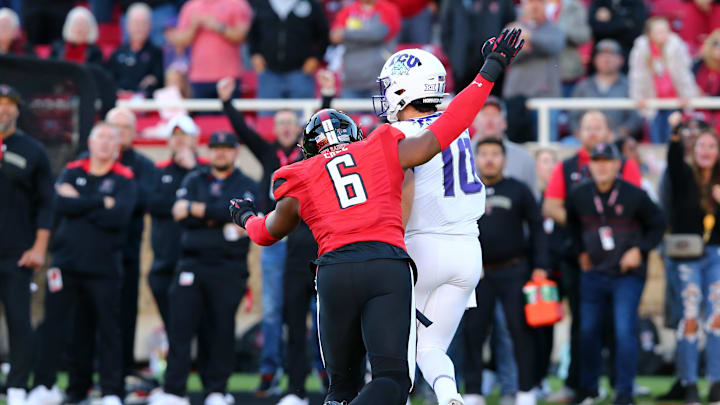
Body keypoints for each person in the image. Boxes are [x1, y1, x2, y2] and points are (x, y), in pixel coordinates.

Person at [229, 28, 524, 405]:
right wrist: (490, 70)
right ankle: (451, 394)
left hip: (354, 264)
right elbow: (448, 126)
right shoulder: (383, 145)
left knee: (346, 385)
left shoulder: (305, 171)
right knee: (399, 371)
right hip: (427, 256)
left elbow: (267, 232)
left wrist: (245, 216)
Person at [377, 48, 485, 405]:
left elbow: (406, 185)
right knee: (433, 347)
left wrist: (390, 242)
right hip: (469, 250)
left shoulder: (398, 131)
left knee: (396, 351)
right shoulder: (459, 129)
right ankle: (450, 395)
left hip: (422, 246)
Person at [217, 74, 335, 398]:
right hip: (274, 240)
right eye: (280, 122)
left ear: (298, 128)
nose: (285, 128)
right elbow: (242, 132)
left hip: (306, 241)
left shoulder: (306, 155)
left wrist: (326, 96)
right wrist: (226, 102)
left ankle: (323, 369)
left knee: (317, 311)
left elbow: (319, 121)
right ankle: (271, 370)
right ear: (275, 127)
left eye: (290, 123)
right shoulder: (269, 154)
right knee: (275, 311)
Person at [541, 110, 642, 403]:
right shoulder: (566, 167)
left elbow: (638, 206)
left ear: (609, 132)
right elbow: (550, 206)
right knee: (584, 325)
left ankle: (620, 384)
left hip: (620, 260)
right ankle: (581, 386)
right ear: (579, 133)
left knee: (620, 326)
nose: (593, 133)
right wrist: (589, 224)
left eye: (598, 127)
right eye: (587, 128)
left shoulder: (626, 165)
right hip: (580, 257)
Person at [151, 131, 258, 405]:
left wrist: (198, 210)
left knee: (221, 329)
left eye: (226, 148)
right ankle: (174, 391)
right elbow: (178, 212)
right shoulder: (195, 178)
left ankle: (216, 391)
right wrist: (219, 216)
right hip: (191, 263)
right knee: (180, 328)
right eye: (215, 148)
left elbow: (243, 217)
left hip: (229, 266)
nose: (220, 153)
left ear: (235, 152)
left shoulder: (245, 183)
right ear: (208, 151)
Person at [565, 142, 665, 405]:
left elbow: (658, 224)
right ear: (590, 165)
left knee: (623, 331)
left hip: (626, 275)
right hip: (593, 273)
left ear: (618, 164)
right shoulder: (579, 194)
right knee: (587, 331)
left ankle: (624, 393)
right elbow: (572, 225)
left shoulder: (635, 194)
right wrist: (580, 253)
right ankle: (589, 390)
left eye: (607, 160)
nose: (601, 166)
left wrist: (639, 250)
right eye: (596, 160)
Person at [47, 123, 137, 405]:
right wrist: (100, 202)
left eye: (111, 138)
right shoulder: (72, 169)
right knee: (72, 329)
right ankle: (73, 389)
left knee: (109, 330)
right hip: (68, 263)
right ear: (90, 141)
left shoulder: (124, 177)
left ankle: (111, 391)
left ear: (117, 145)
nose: (106, 143)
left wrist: (82, 204)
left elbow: (119, 218)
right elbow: (58, 205)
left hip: (105, 268)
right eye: (101, 137)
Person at [463, 138, 548, 405]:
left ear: (504, 159)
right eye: (484, 154)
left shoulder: (518, 190)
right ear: (476, 158)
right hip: (478, 275)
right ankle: (474, 392)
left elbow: (537, 229)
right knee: (473, 332)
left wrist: (541, 267)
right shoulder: (466, 190)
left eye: (495, 154)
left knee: (520, 332)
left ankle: (525, 391)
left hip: (515, 271)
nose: (489, 159)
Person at [0, 85, 53, 405]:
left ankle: (18, 385)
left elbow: (47, 203)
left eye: (9, 105)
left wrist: (39, 247)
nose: (4, 110)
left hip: (17, 254)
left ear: (18, 111)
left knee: (20, 320)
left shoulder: (33, 150)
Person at [664, 120, 720, 405]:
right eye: (702, 145)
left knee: (716, 321)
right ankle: (688, 384)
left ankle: (715, 382)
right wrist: (675, 133)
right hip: (688, 257)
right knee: (689, 319)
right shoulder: (684, 175)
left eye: (712, 146)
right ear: (693, 149)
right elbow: (673, 158)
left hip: (716, 256)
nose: (707, 151)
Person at [105, 106, 159, 379]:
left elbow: (144, 200)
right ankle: (91, 370)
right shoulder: (88, 160)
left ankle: (124, 368)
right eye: (114, 127)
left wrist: (109, 200)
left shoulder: (144, 166)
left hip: (127, 249)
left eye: (125, 127)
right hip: (93, 249)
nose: (119, 133)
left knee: (125, 309)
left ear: (134, 132)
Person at [148, 114, 208, 328]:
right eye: (175, 135)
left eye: (185, 134)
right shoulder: (158, 170)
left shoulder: (206, 170)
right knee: (173, 325)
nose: (180, 140)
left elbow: (211, 204)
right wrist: (184, 206)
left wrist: (192, 170)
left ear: (196, 139)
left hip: (200, 260)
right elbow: (152, 203)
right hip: (165, 259)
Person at [629, 17, 698, 143]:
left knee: (673, 135)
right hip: (652, 100)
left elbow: (684, 73)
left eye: (665, 30)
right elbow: (637, 76)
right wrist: (638, 97)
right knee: (656, 135)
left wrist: (687, 95)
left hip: (674, 99)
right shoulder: (641, 49)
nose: (662, 35)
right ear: (650, 34)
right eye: (658, 31)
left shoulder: (676, 46)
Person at [503, 0, 565, 141]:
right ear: (523, 5)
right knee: (516, 145)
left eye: (540, 2)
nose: (535, 6)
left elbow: (554, 46)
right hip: (516, 98)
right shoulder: (511, 28)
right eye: (531, 2)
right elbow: (506, 56)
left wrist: (528, 37)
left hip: (547, 97)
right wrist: (531, 45)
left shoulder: (555, 29)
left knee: (547, 146)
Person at [248, 0, 329, 100]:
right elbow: (253, 34)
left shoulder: (311, 4)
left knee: (302, 114)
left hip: (300, 73)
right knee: (267, 114)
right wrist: (254, 54)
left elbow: (323, 35)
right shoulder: (261, 4)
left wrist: (316, 58)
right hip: (269, 73)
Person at [171, 0, 252, 98]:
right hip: (199, 77)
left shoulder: (236, 3)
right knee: (203, 113)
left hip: (229, 76)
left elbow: (244, 37)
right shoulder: (191, 6)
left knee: (229, 112)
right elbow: (180, 43)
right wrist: (193, 28)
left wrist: (218, 26)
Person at [569, 39, 642, 138]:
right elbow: (572, 119)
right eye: (602, 55)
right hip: (585, 141)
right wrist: (585, 136)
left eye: (611, 55)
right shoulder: (582, 86)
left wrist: (615, 135)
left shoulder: (630, 86)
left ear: (621, 60)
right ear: (595, 60)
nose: (606, 59)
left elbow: (635, 119)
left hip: (619, 141)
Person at [330, 0, 402, 99]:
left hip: (378, 82)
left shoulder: (388, 9)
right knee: (349, 114)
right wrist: (366, 34)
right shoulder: (347, 11)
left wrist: (347, 34)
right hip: (352, 80)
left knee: (380, 114)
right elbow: (335, 37)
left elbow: (378, 34)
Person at [440, 0, 515, 91]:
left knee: (490, 101)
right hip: (462, 67)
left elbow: (510, 25)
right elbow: (445, 33)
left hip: (493, 66)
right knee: (463, 102)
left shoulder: (503, 2)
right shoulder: (452, 2)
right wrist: (455, 57)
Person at [471, 95, 539, 198]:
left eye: (495, 114)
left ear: (504, 123)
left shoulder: (524, 158)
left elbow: (533, 202)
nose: (490, 120)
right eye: (484, 114)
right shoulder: (460, 155)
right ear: (474, 122)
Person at [107, 3, 164, 97]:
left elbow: (158, 83)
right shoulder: (117, 53)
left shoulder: (157, 54)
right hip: (120, 104)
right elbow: (109, 80)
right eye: (136, 23)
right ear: (127, 25)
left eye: (143, 23)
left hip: (146, 106)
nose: (139, 28)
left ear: (150, 26)